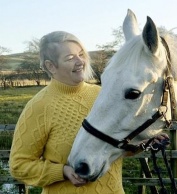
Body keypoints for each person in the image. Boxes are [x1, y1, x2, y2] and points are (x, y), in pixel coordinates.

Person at [9, 31, 125, 194]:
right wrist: (61, 171)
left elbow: (118, 145)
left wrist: (144, 142)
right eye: (70, 58)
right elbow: (18, 166)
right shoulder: (39, 106)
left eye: (80, 54)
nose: (80, 62)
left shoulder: (102, 95)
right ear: (51, 66)